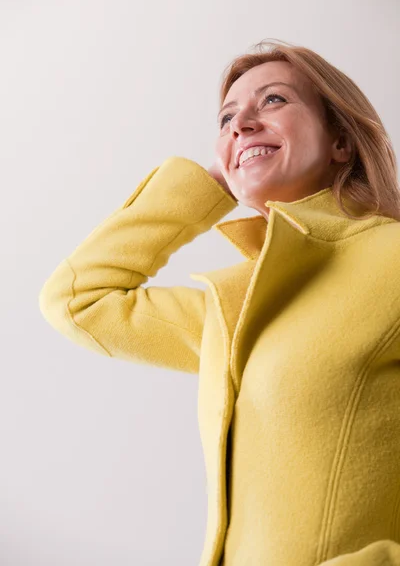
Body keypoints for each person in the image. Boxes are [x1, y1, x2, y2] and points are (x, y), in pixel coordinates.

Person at [39, 39, 400, 566]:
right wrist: (215, 181)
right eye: (227, 118)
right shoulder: (234, 304)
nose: (241, 123)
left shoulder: (391, 258)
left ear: (341, 140)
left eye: (274, 100)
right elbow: (77, 299)